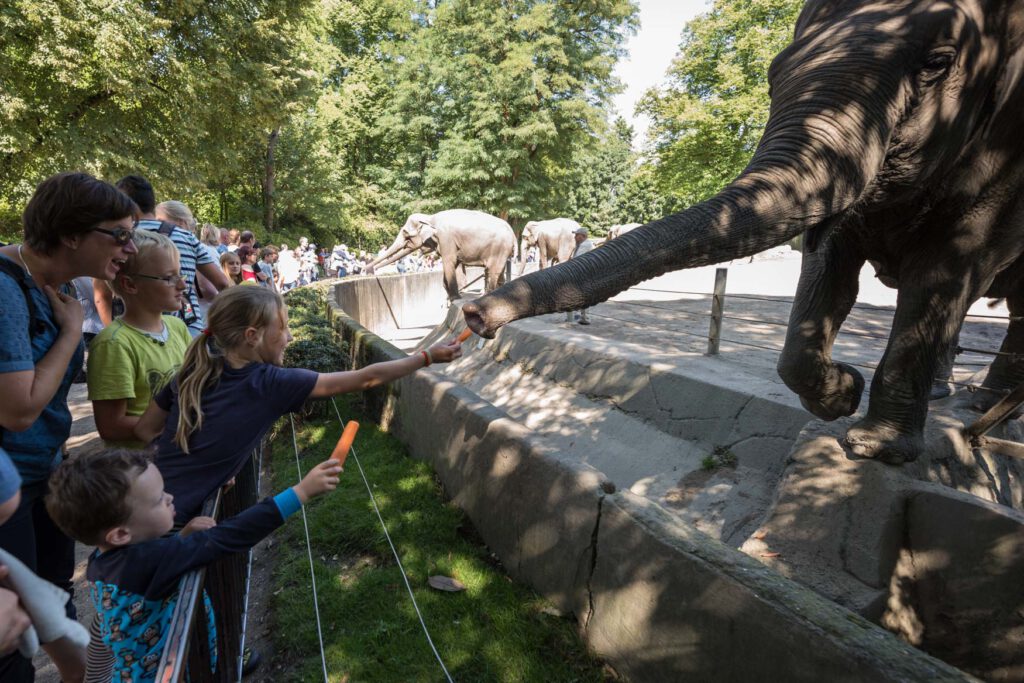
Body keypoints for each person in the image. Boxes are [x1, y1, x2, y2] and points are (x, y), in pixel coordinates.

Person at [133, 286, 463, 524]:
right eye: (284, 327)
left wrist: (208, 459)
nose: (289, 337)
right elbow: (364, 378)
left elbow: (145, 429)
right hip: (174, 523)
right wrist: (427, 357)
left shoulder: (190, 373)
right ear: (253, 336)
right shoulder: (269, 383)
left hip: (148, 503)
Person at [0, 171, 139, 682]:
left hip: (39, 471)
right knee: (12, 633)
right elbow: (17, 410)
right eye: (120, 234)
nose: (129, 248)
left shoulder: (52, 285)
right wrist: (70, 329)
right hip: (6, 483)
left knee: (52, 598)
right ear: (72, 235)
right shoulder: (4, 288)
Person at [45, 448, 343, 682]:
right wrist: (300, 492)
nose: (170, 497)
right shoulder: (151, 561)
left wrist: (183, 536)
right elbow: (230, 536)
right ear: (121, 533)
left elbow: (156, 559)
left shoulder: (104, 560)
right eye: (159, 499)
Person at [87, 231, 191, 448]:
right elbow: (111, 425)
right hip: (143, 468)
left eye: (180, 275)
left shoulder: (177, 327)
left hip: (181, 456)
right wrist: (184, 425)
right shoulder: (114, 344)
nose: (182, 285)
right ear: (130, 285)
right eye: (169, 278)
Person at [95, 177, 229, 336]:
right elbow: (221, 283)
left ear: (124, 204)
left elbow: (102, 295)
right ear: (152, 202)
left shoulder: (118, 238)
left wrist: (113, 332)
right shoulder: (186, 237)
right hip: (188, 325)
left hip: (135, 330)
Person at [565, 227, 595, 325]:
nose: (574, 237)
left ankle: (584, 318)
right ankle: (581, 317)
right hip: (583, 274)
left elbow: (577, 260)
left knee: (580, 295)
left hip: (582, 275)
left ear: (583, 236)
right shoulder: (582, 244)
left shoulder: (585, 245)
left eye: (577, 235)